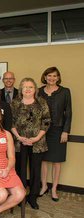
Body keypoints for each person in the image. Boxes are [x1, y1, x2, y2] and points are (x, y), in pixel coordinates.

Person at [11, 78, 51, 209]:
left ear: (35, 89)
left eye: (30, 87)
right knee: (20, 170)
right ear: (21, 89)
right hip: (19, 142)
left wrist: (35, 138)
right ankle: (20, 196)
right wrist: (19, 137)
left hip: (37, 143)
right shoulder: (15, 103)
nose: (27, 89)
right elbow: (10, 122)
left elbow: (46, 121)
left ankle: (33, 197)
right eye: (25, 87)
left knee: (35, 170)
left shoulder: (41, 102)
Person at [38, 67, 72, 202]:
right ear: (45, 77)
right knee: (44, 160)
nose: (52, 78)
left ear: (58, 78)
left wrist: (66, 131)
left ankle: (54, 189)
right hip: (43, 130)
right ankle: (44, 185)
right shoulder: (39, 91)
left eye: (54, 76)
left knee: (57, 161)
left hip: (58, 130)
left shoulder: (65, 92)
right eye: (49, 76)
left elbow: (68, 113)